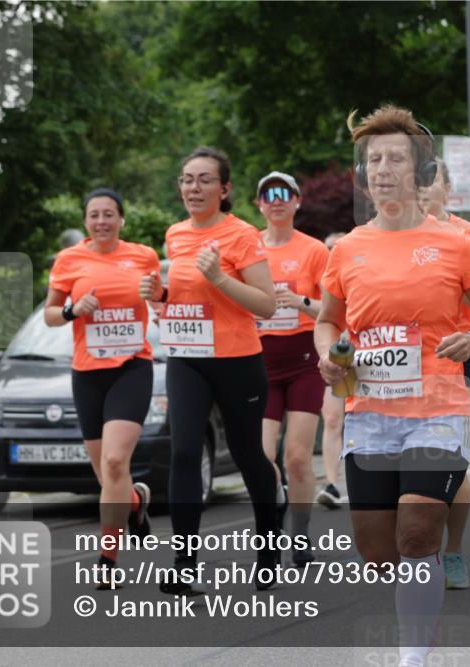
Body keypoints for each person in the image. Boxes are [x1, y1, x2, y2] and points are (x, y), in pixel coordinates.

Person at [314, 105, 470, 667]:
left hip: (438, 408)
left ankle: (413, 655)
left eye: (395, 158)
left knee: (418, 534)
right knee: (378, 553)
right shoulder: (348, 248)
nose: (382, 168)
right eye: (373, 159)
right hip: (370, 409)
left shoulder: (454, 243)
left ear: (419, 171)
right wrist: (328, 351)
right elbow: (328, 320)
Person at [139, 146, 280, 594]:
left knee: (247, 455)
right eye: (186, 179)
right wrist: (159, 296)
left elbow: (267, 304)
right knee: (184, 453)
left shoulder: (241, 236)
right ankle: (183, 564)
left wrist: (220, 277)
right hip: (187, 359)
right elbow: (182, 300)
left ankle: (269, 544)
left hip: (238, 360)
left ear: (225, 189)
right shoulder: (176, 234)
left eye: (203, 180)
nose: (192, 188)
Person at [46, 188, 159, 588]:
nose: (102, 221)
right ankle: (135, 501)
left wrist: (160, 302)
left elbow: (160, 300)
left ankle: (107, 560)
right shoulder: (69, 260)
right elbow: (49, 316)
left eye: (109, 214)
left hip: (132, 368)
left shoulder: (143, 256)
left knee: (114, 462)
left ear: (121, 220)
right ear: (85, 222)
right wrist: (72, 310)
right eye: (94, 215)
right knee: (107, 476)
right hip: (88, 374)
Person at [419, 157, 470, 590]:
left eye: (432, 180)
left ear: (448, 188)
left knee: (452, 459)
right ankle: (418, 544)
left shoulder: (468, 235)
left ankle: (454, 550)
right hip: (406, 358)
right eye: (420, 181)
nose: (425, 188)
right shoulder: (393, 233)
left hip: (454, 353)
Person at [254, 171, 331, 567]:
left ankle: (299, 534)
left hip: (303, 360)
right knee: (263, 457)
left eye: (285, 193)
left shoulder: (315, 251)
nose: (277, 200)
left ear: (298, 201)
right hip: (260, 361)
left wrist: (299, 301)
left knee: (297, 457)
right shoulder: (247, 248)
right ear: (259, 205)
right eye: (268, 195)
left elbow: (335, 311)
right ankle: (272, 520)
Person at [316, 231, 348, 509]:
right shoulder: (321, 279)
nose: (332, 251)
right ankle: (332, 483)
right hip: (337, 359)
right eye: (328, 247)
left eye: (337, 246)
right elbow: (322, 316)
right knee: (333, 419)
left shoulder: (358, 269)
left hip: (369, 358)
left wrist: (299, 303)